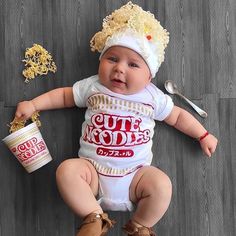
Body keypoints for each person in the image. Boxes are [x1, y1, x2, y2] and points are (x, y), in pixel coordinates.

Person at [14, 2, 218, 236]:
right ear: (101, 60)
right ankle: (94, 218)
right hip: (92, 174)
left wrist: (202, 134)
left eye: (133, 64)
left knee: (162, 185)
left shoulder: (153, 97)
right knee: (66, 171)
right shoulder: (93, 87)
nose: (119, 69)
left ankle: (140, 225)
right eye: (112, 59)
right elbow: (64, 96)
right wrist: (34, 104)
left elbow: (178, 116)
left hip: (136, 177)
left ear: (149, 75)